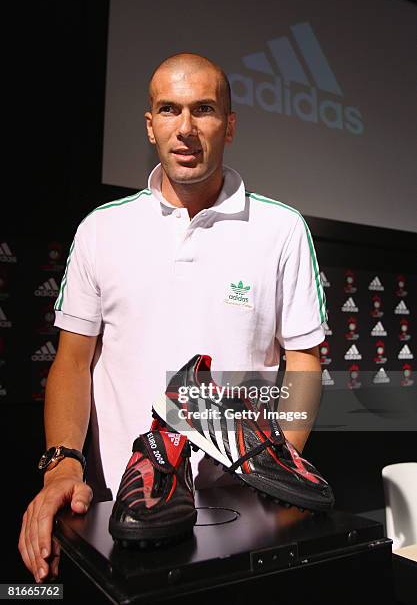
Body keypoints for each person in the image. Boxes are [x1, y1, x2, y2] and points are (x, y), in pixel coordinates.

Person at [18, 53, 326, 582]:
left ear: (229, 125)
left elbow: (303, 357)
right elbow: (72, 362)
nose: (185, 129)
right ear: (150, 123)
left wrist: (279, 463)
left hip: (243, 514)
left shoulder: (282, 229)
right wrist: (62, 464)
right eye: (169, 109)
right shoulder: (101, 229)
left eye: (203, 109)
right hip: (123, 509)